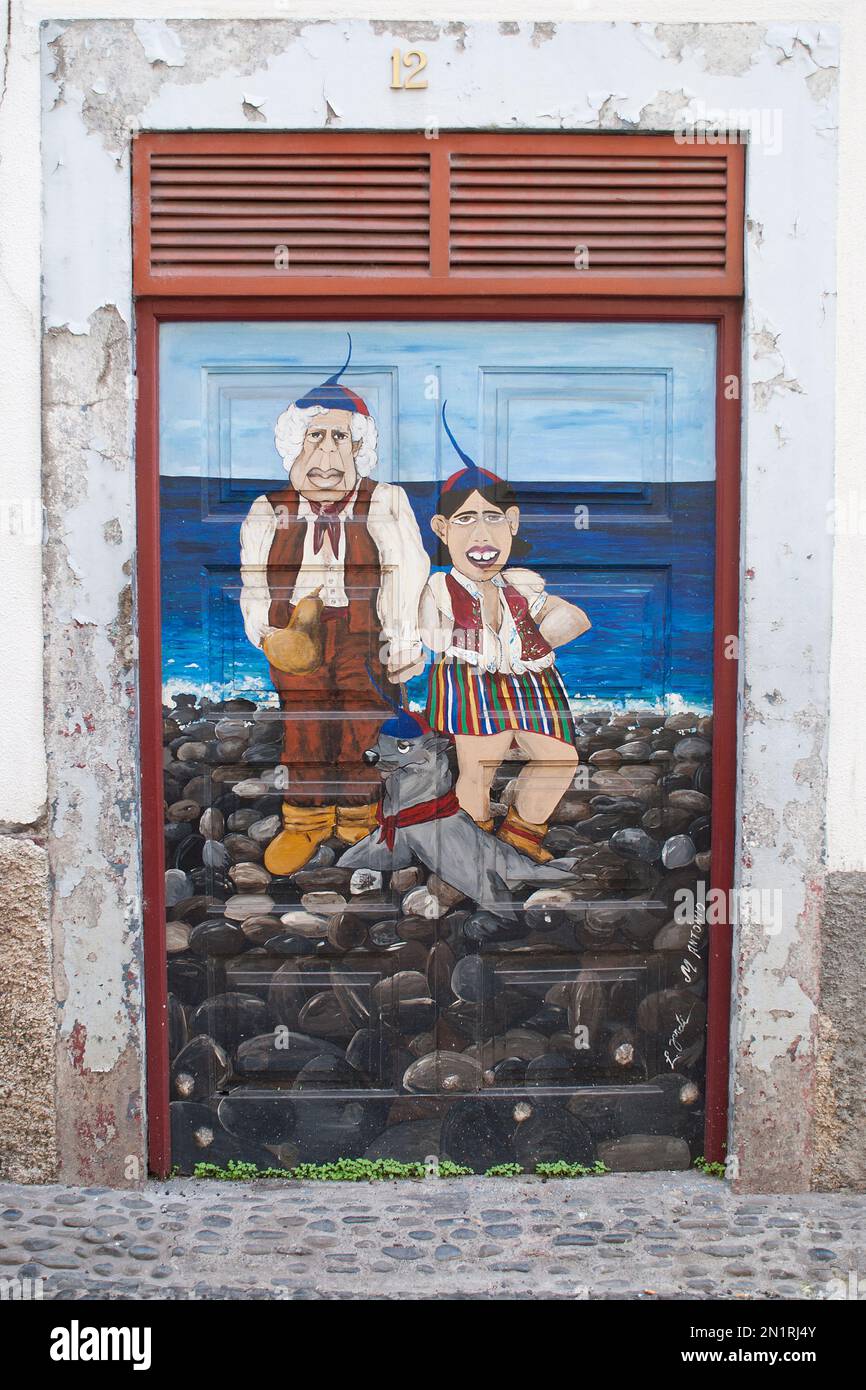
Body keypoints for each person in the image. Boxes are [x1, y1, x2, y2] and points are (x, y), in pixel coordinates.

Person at [239, 336, 429, 875]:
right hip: (297, 635)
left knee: (364, 720)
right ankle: (304, 818)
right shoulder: (268, 509)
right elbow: (255, 581)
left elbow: (406, 571)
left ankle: (360, 814)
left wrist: (404, 638)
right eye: (314, 437)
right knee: (304, 722)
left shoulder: (384, 500)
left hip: (363, 631)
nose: (326, 454)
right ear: (293, 446)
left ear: (358, 448)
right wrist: (266, 635)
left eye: (339, 438)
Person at [419, 404, 591, 863]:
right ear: (442, 529)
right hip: (469, 679)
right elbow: (431, 634)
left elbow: (574, 617)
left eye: (493, 518)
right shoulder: (440, 586)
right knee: (479, 765)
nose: (482, 533)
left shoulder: (520, 583)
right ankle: (473, 844)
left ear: (512, 523)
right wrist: (479, 646)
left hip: (529, 679)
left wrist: (529, 642)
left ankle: (521, 832)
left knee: (560, 758)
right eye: (465, 519)